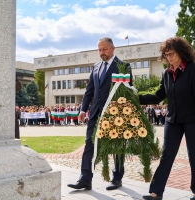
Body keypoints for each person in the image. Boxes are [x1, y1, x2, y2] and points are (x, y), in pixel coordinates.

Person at [67, 37, 133, 190]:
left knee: (117, 146)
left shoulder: (123, 67)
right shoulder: (96, 67)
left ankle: (117, 178)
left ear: (112, 48)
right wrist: (83, 109)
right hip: (95, 113)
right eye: (99, 50)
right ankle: (85, 178)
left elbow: (127, 92)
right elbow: (89, 90)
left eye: (104, 49)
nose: (101, 52)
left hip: (115, 115)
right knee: (89, 144)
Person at [138, 36, 195, 200]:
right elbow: (158, 95)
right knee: (167, 155)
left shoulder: (192, 69)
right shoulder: (166, 73)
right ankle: (156, 192)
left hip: (192, 120)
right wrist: (136, 97)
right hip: (172, 120)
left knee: (194, 156)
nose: (169, 57)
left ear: (182, 52)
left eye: (172, 54)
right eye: (166, 54)